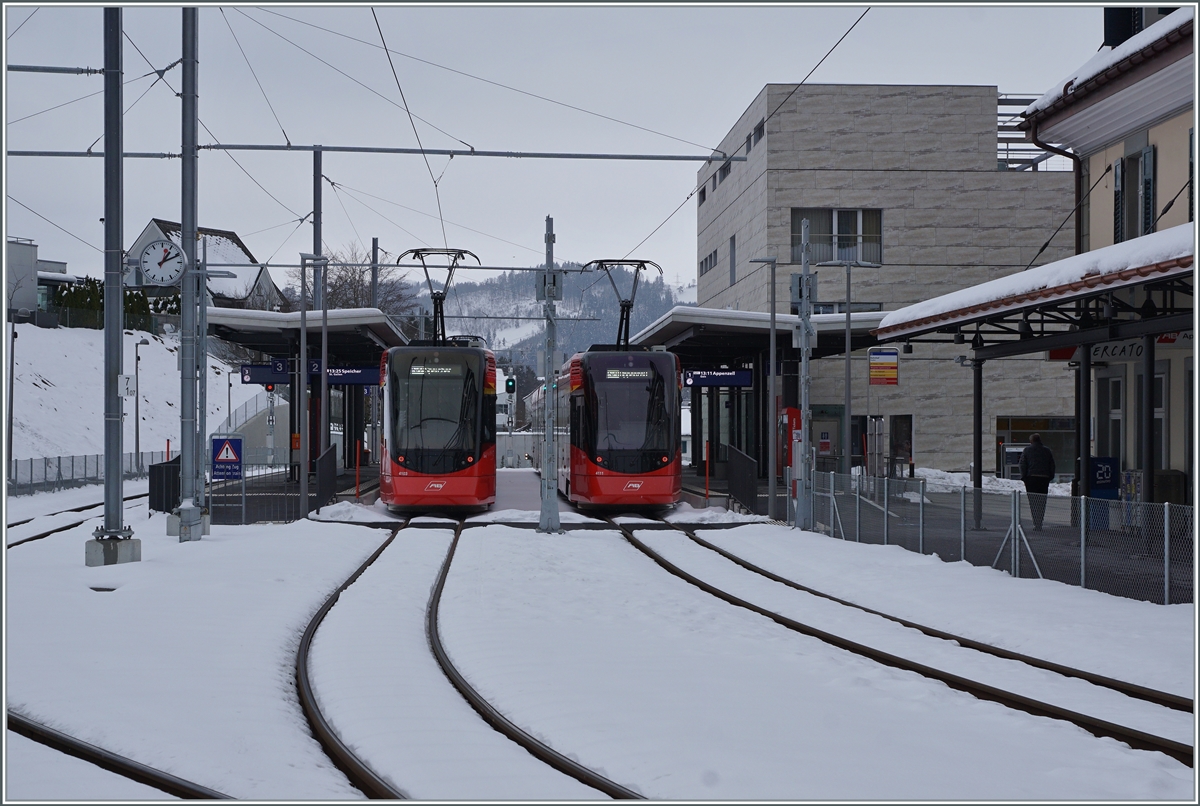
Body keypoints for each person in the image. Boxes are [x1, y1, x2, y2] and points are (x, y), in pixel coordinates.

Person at [1019, 434, 1055, 530]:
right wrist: (1050, 476)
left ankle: (1036, 522)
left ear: (1031, 441)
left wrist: (1024, 477)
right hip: (1044, 478)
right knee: (1042, 501)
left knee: (1033, 501)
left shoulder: (1027, 450)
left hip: (1031, 478)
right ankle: (1040, 521)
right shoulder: (1047, 450)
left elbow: (1022, 464)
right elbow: (1052, 464)